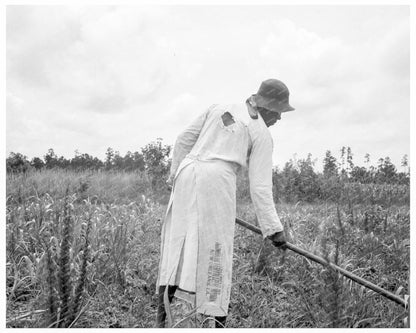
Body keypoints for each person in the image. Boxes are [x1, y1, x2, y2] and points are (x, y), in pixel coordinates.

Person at [156, 79, 295, 328]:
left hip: (187, 172)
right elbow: (260, 186)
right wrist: (275, 230)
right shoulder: (261, 133)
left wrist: (174, 176)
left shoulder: (220, 107)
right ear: (268, 107)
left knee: (176, 250)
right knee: (217, 253)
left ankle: (162, 321)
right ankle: (216, 321)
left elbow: (182, 140)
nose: (280, 119)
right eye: (279, 112)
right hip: (217, 183)